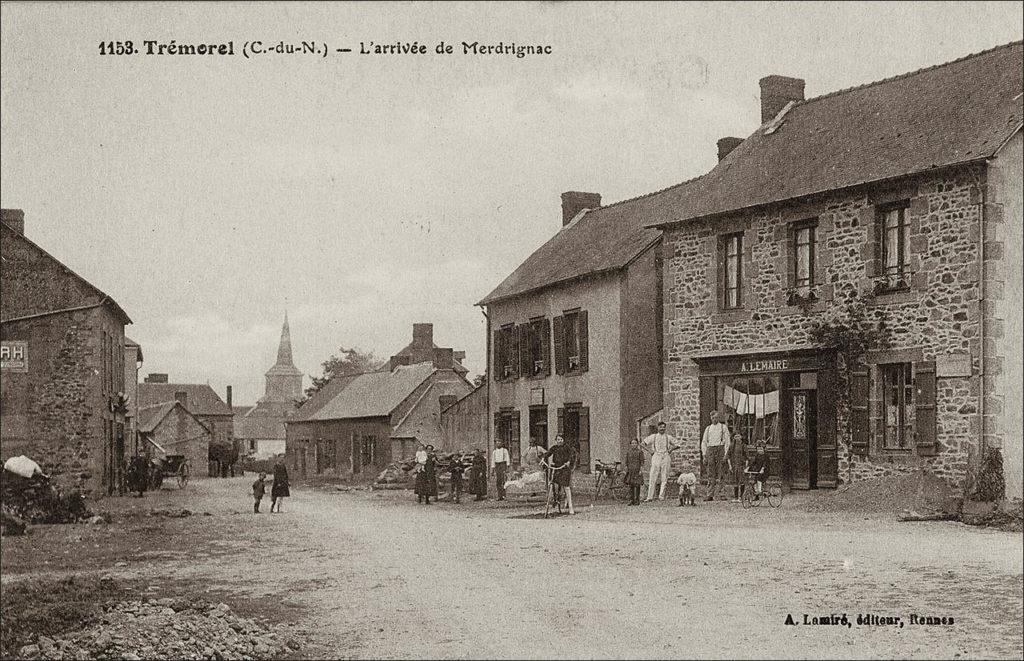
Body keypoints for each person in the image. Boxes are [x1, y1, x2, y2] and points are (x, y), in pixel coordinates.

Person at [642, 421, 680, 502]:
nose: (662, 428)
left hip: (666, 456)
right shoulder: (653, 436)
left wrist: (671, 449)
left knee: (664, 477)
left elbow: (678, 444)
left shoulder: (668, 437)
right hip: (656, 456)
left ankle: (661, 496)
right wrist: (650, 451)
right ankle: (650, 497)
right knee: (652, 476)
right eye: (660, 427)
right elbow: (642, 444)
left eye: (663, 427)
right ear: (658, 428)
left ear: (665, 428)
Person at [541, 435, 576, 515]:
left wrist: (568, 462)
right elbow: (548, 453)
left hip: (564, 468)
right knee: (552, 484)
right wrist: (543, 458)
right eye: (558, 439)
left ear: (563, 440)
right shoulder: (554, 447)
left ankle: (570, 507)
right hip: (556, 467)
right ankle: (554, 499)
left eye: (561, 439)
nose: (559, 441)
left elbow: (571, 455)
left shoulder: (567, 447)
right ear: (556, 440)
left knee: (566, 487)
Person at [701, 411, 731, 501]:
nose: (715, 419)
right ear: (711, 418)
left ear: (718, 418)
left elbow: (727, 441)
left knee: (721, 472)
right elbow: (704, 442)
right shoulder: (708, 428)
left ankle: (722, 494)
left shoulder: (723, 427)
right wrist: (704, 455)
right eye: (713, 418)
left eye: (716, 418)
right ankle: (710, 494)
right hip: (710, 450)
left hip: (720, 449)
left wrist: (726, 454)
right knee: (710, 473)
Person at [623, 438, 644, 506]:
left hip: (637, 470)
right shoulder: (628, 452)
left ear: (637, 444)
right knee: (631, 485)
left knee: (637, 485)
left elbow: (642, 461)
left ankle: (637, 500)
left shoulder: (640, 452)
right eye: (632, 443)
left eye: (635, 443)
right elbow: (626, 461)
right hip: (630, 470)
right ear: (630, 444)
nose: (634, 444)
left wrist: (641, 469)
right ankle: (632, 500)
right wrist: (626, 467)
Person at [730, 431, 747, 503]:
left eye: (738, 436)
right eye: (735, 437)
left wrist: (746, 466)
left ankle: (742, 496)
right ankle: (736, 497)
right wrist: (730, 466)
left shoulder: (743, 446)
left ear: (741, 437)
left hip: (741, 465)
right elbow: (728, 456)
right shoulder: (731, 446)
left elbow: (747, 457)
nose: (737, 438)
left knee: (742, 481)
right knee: (735, 481)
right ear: (733, 438)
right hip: (734, 465)